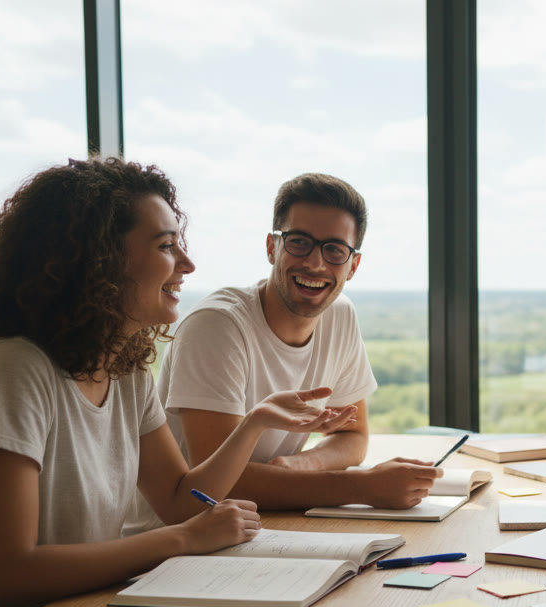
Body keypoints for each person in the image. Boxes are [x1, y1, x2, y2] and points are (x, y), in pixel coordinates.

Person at [0, 158, 355, 607]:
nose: (187, 264)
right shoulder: (13, 370)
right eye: (166, 246)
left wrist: (253, 423)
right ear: (96, 261)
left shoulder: (124, 368)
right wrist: (186, 541)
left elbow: (176, 501)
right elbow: (4, 578)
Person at [122, 173, 439, 535]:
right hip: (170, 543)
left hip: (261, 526)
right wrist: (363, 488)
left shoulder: (340, 314)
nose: (316, 264)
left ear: (353, 265)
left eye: (335, 249)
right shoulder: (218, 325)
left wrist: (296, 466)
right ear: (272, 247)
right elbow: (220, 486)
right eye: (300, 242)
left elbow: (354, 437)